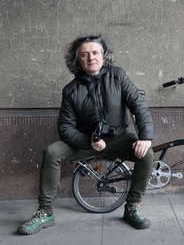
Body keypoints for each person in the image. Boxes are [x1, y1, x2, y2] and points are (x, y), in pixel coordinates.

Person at [17, 35, 154, 235]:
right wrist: (89, 142)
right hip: (86, 141)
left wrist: (146, 137)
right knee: (52, 152)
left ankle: (132, 206)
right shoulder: (71, 91)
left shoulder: (118, 76)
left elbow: (138, 105)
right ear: (78, 61)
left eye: (95, 53)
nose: (91, 57)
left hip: (120, 139)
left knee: (147, 154)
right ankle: (45, 212)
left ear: (103, 57)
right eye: (85, 54)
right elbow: (65, 128)